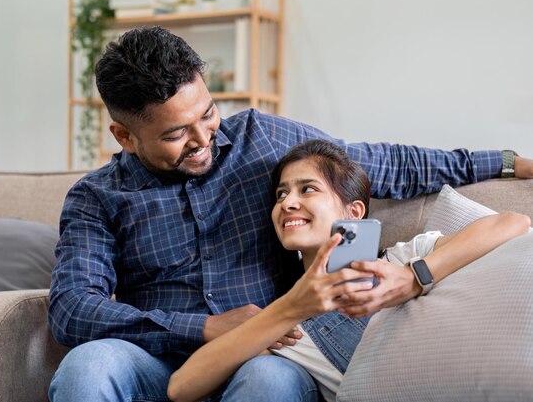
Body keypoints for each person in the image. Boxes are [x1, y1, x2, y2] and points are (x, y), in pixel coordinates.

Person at [47, 25, 533, 402]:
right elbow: (72, 309)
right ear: (125, 137)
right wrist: (199, 328)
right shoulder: (97, 197)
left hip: (272, 357)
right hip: (159, 365)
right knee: (90, 365)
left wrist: (512, 163)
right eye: (177, 134)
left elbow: (390, 162)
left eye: (208, 114)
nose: (203, 139)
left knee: (268, 376)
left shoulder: (264, 140)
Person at [167, 139, 531, 402]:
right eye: (280, 195)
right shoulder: (286, 323)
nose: (288, 202)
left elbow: (511, 224)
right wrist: (287, 310)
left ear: (354, 212)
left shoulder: (404, 257)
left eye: (307, 189)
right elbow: (181, 387)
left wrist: (412, 277)